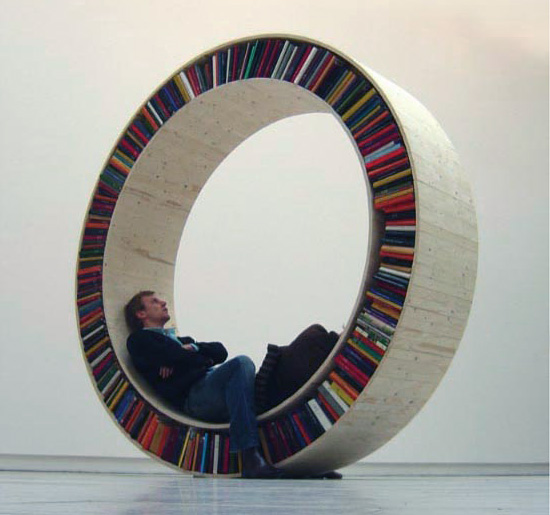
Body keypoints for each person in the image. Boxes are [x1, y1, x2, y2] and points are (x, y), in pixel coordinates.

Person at [124, 290, 283, 479]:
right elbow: (176, 355)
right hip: (194, 397)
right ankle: (249, 456)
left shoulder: (182, 341)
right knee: (242, 363)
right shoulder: (139, 340)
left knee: (265, 378)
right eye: (154, 302)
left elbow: (220, 351)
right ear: (141, 313)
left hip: (210, 384)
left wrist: (192, 349)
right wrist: (193, 357)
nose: (163, 303)